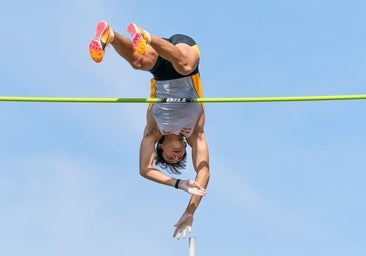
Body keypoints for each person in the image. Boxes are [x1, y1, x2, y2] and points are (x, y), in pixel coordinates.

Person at [89, 21, 210, 239]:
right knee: (184, 65)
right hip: (184, 56)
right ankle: (145, 37)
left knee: (139, 62)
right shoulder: (194, 132)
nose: (177, 156)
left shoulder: (153, 129)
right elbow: (204, 171)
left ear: (160, 146)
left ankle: (110, 35)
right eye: (179, 157)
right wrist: (190, 211)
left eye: (170, 158)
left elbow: (145, 169)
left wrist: (178, 184)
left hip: (161, 68)